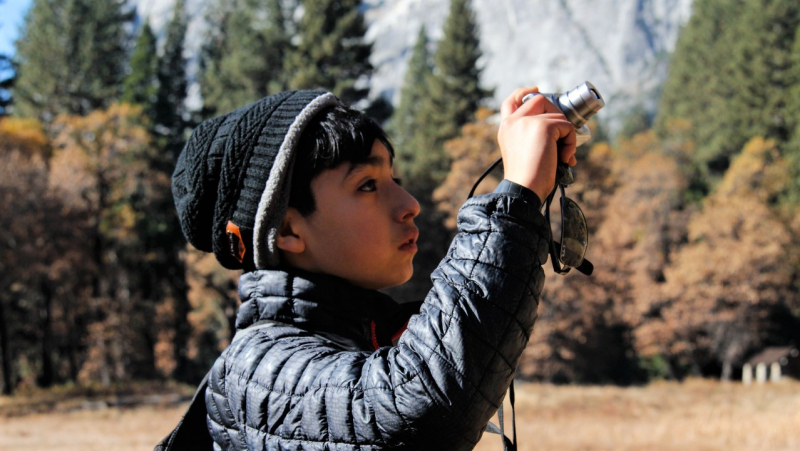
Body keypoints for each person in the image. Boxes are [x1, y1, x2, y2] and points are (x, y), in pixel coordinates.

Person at [169, 87, 576, 450]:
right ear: (289, 229)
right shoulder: (256, 372)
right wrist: (517, 196)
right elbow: (417, 408)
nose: (409, 203)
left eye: (393, 178)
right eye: (367, 185)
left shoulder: (359, 341)